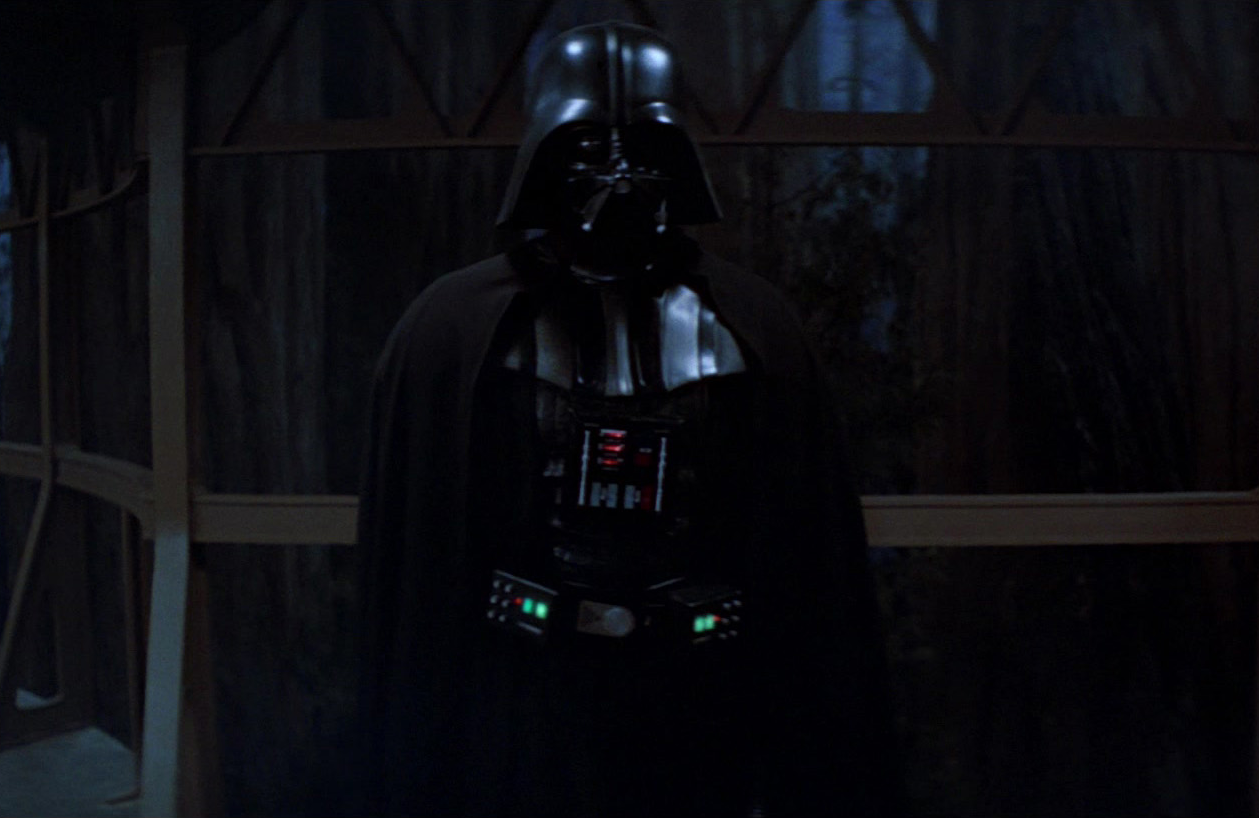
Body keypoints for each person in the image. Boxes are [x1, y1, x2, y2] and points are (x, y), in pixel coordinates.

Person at [354, 21, 902, 816]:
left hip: (696, 702)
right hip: (526, 700)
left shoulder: (749, 324)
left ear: (677, 161)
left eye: (643, 150)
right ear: (545, 157)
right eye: (587, 150)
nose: (617, 176)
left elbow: (800, 545)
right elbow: (425, 553)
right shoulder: (455, 327)